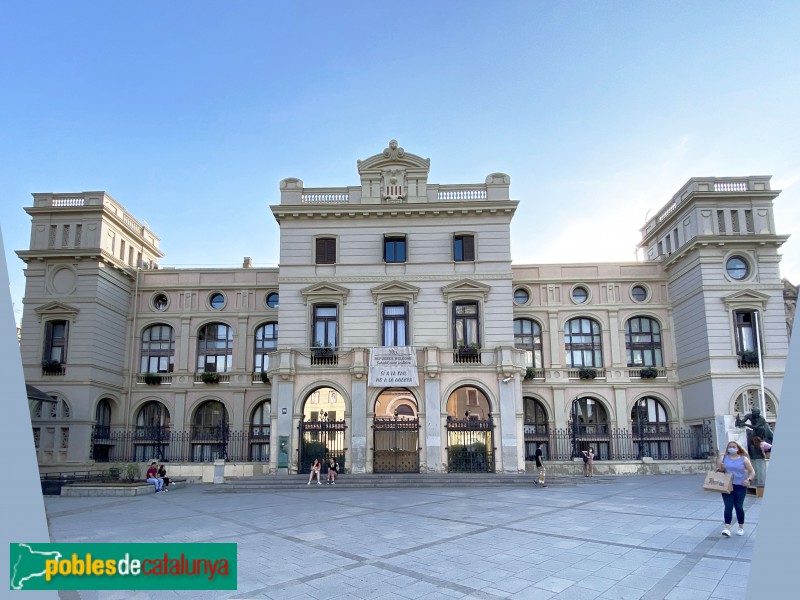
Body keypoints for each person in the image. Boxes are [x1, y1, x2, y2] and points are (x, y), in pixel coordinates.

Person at [717, 440, 756, 537]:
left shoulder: (743, 459)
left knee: (739, 507)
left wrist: (748, 480)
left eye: (734, 446)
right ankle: (727, 528)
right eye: (730, 446)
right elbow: (719, 469)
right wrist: (721, 458)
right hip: (727, 485)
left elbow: (752, 472)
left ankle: (740, 527)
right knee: (728, 506)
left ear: (738, 448)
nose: (732, 448)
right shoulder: (724, 458)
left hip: (740, 486)